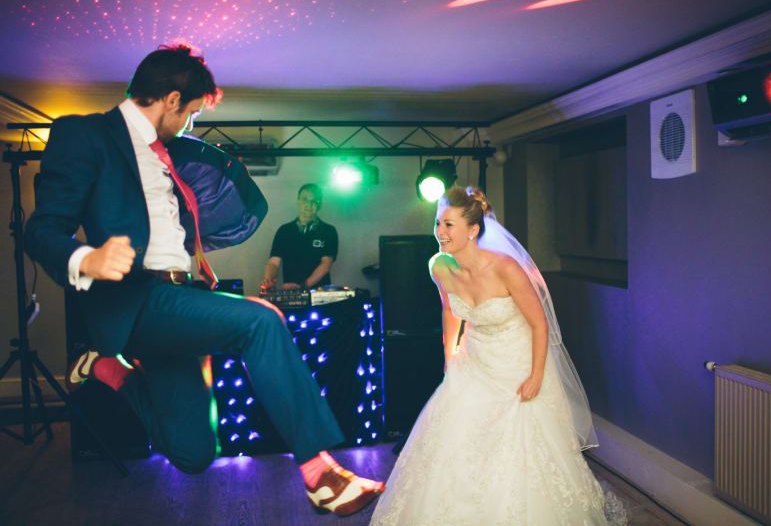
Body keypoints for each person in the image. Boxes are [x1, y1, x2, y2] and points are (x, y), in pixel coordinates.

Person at [25, 44, 383, 516]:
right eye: (191, 113)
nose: (189, 124)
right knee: (260, 320)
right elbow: (41, 230)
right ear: (172, 100)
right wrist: (87, 257)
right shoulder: (86, 134)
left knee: (193, 453)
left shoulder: (169, 154)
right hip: (136, 298)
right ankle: (320, 473)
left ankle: (109, 369)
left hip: (176, 304)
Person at [371, 186, 608, 525]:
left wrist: (536, 376)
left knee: (519, 449)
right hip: (474, 358)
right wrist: (450, 357)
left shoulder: (506, 268)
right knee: (455, 435)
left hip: (518, 362)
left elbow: (539, 325)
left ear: (472, 230)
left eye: (449, 224)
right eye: (438, 223)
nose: (440, 232)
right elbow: (450, 311)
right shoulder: (440, 266)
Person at [261, 183, 338, 291]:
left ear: (320, 204)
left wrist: (303, 287)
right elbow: (274, 262)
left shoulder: (329, 231)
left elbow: (326, 265)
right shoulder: (284, 231)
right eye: (305, 199)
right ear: (298, 201)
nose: (309, 204)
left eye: (314, 201)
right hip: (290, 293)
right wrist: (268, 280)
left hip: (319, 294)